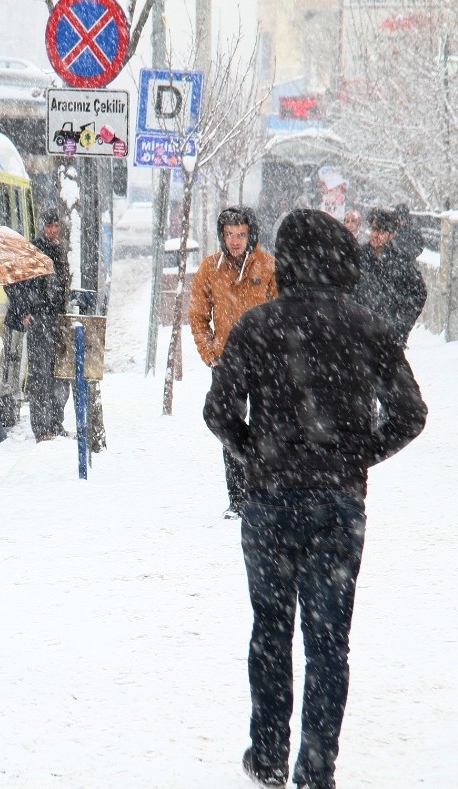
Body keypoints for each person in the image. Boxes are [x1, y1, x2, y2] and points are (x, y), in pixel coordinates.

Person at [204, 208, 427, 789]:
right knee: (330, 640)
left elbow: (219, 412)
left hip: (270, 502)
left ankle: (269, 753)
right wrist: (356, 456)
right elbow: (410, 413)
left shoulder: (257, 327)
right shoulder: (367, 327)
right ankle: (316, 765)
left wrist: (257, 453)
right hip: (338, 504)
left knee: (270, 628)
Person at [188, 206, 277, 519]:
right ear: (222, 236)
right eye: (229, 234)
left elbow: (282, 313)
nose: (235, 241)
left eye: (241, 234)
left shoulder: (268, 266)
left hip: (265, 363)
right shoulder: (210, 269)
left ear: (250, 234)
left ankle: (262, 492)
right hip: (228, 361)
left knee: (267, 428)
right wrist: (210, 352)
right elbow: (198, 315)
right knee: (227, 425)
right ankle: (238, 498)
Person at [5, 207, 71, 441]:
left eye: (56, 226)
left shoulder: (59, 251)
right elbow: (11, 279)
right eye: (49, 226)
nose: (53, 230)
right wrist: (24, 311)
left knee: (59, 375)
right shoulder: (32, 250)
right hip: (40, 321)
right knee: (41, 376)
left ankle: (55, 424)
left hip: (57, 322)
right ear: (42, 227)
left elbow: (60, 288)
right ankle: (42, 428)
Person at [350, 207, 427, 346]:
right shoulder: (358, 256)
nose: (375, 235)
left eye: (381, 231)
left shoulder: (402, 261)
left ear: (391, 234)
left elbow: (418, 294)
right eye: (373, 229)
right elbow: (347, 288)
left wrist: (401, 326)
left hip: (389, 338)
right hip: (359, 335)